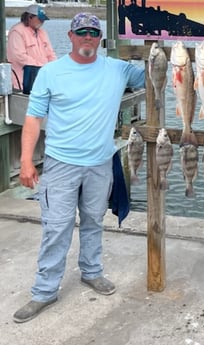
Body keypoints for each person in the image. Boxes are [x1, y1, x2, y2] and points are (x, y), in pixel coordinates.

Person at [13, 12, 145, 323]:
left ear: (100, 39)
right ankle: (44, 291)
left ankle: (92, 272)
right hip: (60, 164)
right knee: (56, 227)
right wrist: (26, 161)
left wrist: (175, 47)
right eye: (81, 31)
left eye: (93, 33)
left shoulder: (118, 69)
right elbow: (33, 118)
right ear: (70, 36)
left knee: (93, 222)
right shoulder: (51, 72)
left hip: (100, 163)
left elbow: (158, 72)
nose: (88, 37)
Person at [7, 4, 57, 91]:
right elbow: (19, 57)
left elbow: (50, 54)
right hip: (22, 83)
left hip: (41, 81)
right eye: (40, 19)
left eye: (43, 19)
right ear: (30, 17)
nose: (42, 21)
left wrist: (55, 68)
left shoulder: (42, 33)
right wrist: (42, 67)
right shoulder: (17, 31)